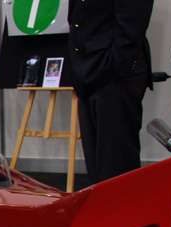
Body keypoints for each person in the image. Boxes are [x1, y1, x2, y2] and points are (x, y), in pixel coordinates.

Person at [66, 0, 153, 183]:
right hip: (86, 70)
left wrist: (118, 65)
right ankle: (104, 202)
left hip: (113, 72)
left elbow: (133, 19)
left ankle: (122, 203)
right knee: (97, 165)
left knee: (116, 164)